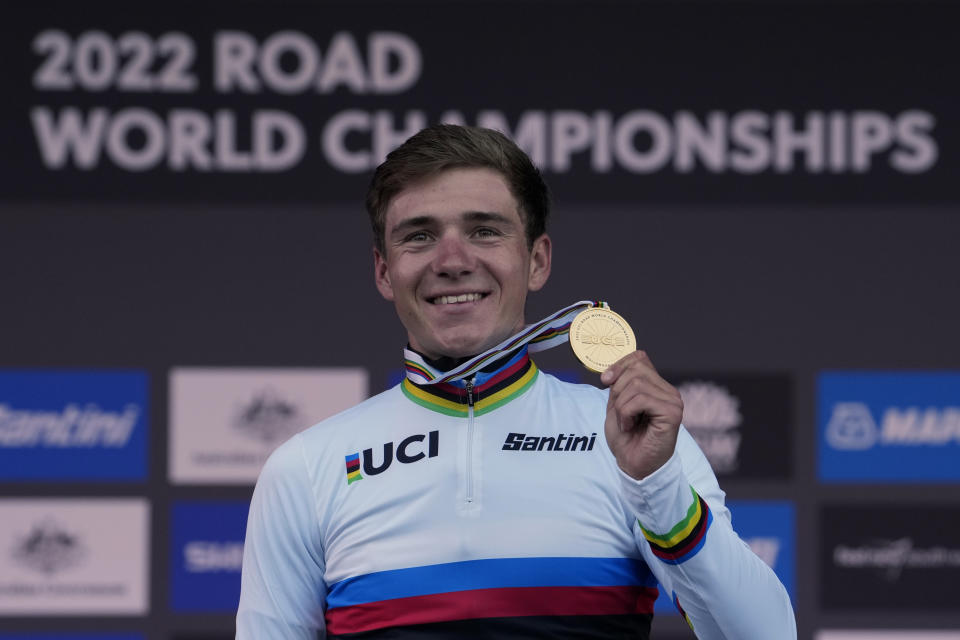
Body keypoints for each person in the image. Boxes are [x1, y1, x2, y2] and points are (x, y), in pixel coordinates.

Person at [236, 124, 796, 639]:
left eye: (484, 231)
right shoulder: (307, 468)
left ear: (537, 260)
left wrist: (660, 489)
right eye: (419, 236)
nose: (452, 261)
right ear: (385, 271)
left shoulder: (625, 440)